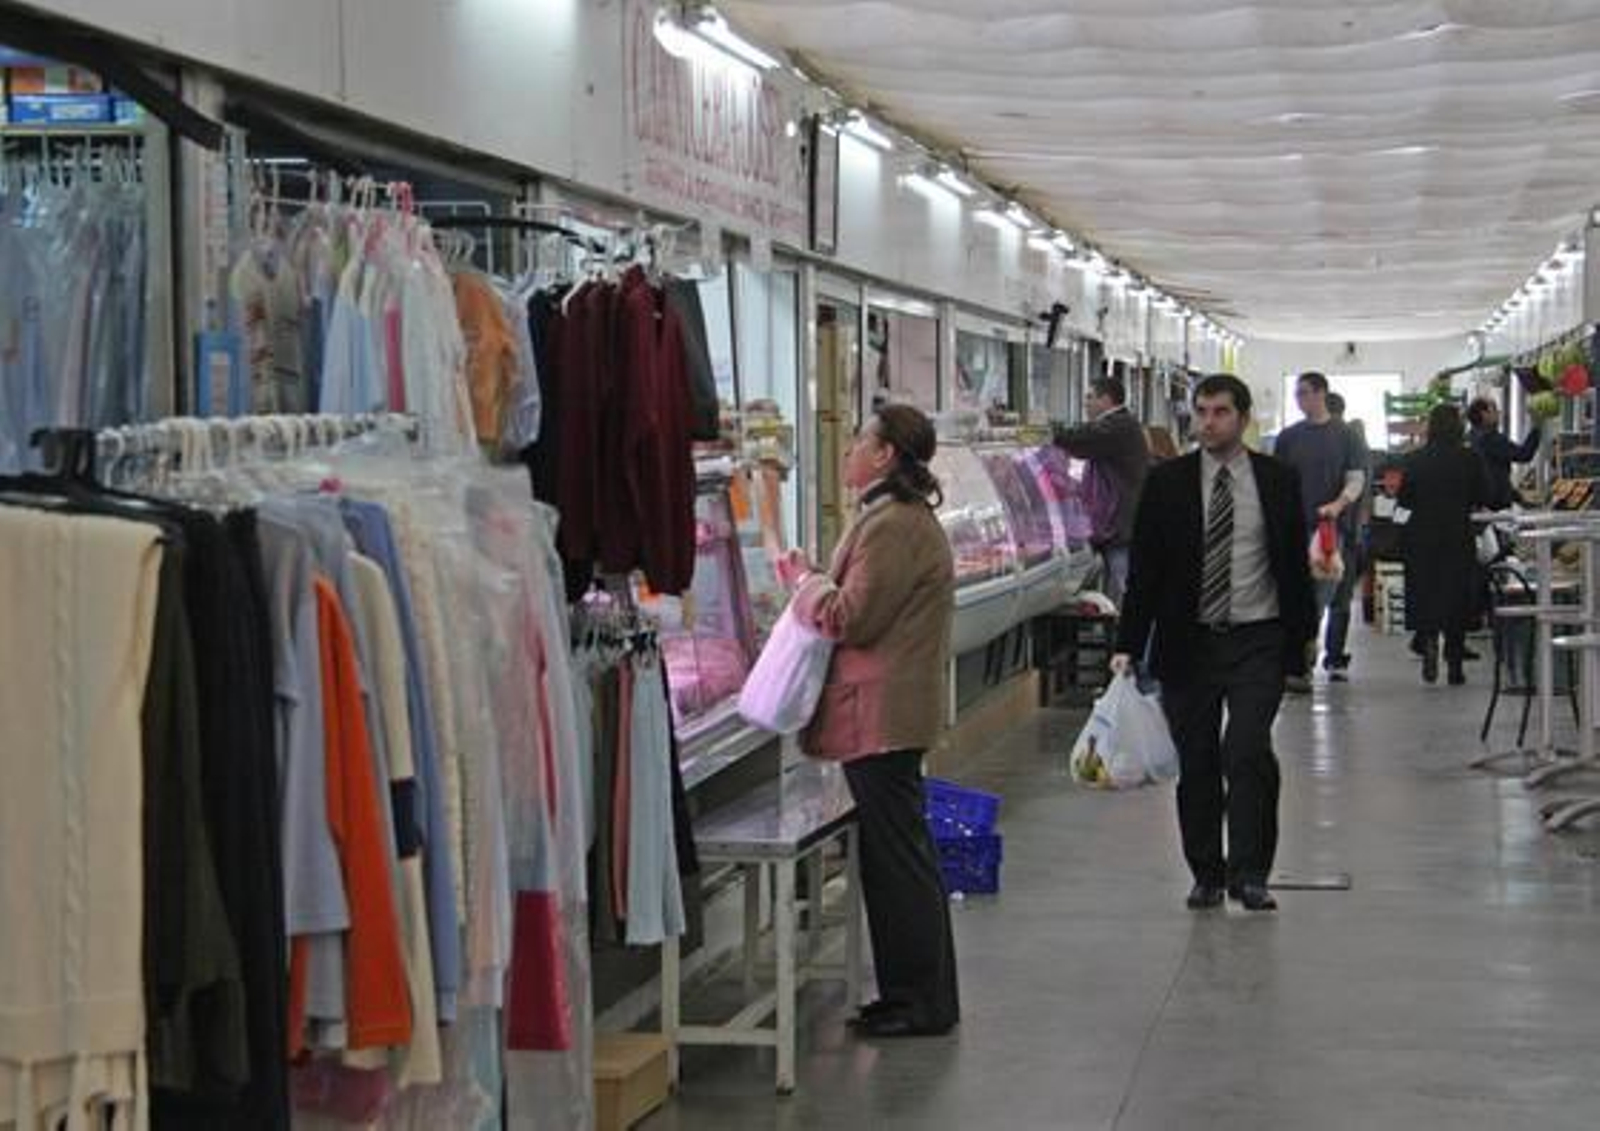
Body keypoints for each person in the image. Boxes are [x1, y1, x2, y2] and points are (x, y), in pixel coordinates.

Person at [777, 403, 959, 1037]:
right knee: (897, 854)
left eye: (860, 440)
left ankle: (919, 1000)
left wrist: (804, 582)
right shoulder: (891, 519)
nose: (849, 448)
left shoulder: (892, 526)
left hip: (881, 715)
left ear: (885, 456)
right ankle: (919, 994)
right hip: (885, 712)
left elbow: (852, 617)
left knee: (897, 858)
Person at [1111, 374, 1316, 913]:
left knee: (1246, 750)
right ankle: (1207, 871)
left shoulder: (1276, 480)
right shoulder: (1169, 483)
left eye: (1220, 412)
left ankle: (1251, 873)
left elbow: (1294, 563)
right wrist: (1128, 642)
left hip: (1258, 638)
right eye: (1201, 412)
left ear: (1243, 418)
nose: (1207, 422)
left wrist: (1304, 638)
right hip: (1190, 641)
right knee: (1197, 759)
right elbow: (1146, 572)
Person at [1271, 372, 1367, 690]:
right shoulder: (1288, 437)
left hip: (1330, 530)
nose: (1300, 399)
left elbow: (1356, 479)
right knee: (1294, 595)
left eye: (1305, 393)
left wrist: (1338, 506)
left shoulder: (1346, 435)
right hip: (1292, 529)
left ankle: (1303, 663)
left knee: (1322, 595)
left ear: (1322, 393)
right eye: (1296, 394)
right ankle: (1295, 659)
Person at [1399, 404, 1491, 686]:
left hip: (1421, 537)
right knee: (1456, 596)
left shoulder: (1414, 460)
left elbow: (1404, 501)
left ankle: (1427, 640)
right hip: (1457, 535)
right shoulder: (1470, 458)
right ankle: (1454, 664)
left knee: (1426, 592)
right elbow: (1483, 494)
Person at [1052, 375, 1151, 606]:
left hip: (1120, 527)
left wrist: (1045, 433)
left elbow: (1079, 441)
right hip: (1116, 525)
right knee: (1116, 585)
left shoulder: (1118, 426)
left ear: (1106, 399)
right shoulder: (1120, 424)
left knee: (1123, 584)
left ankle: (1127, 635)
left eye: (1089, 397)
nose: (1085, 403)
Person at [1320, 393, 1371, 681]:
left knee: (1312, 598)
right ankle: (1334, 657)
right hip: (1345, 531)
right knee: (1339, 598)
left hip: (1313, 529)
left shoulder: (1307, 439)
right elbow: (1362, 488)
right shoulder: (1354, 442)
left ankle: (1300, 660)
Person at [1467, 397, 1540, 511]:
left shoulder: (1472, 437)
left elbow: (1496, 472)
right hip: (1496, 505)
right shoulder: (1490, 439)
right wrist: (1537, 426)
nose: (1498, 415)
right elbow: (1524, 454)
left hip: (1482, 503)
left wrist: (1517, 498)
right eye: (1494, 411)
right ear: (1484, 414)